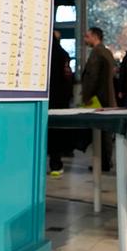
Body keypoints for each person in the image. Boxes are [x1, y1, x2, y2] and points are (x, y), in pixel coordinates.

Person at [81, 27, 116, 171]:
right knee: (106, 132)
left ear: (95, 37)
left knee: (100, 133)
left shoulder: (96, 53)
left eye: (87, 36)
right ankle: (106, 161)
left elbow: (92, 77)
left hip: (99, 98)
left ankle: (103, 163)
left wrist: (87, 96)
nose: (84, 39)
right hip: (108, 96)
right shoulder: (107, 52)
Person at [47, 31, 73, 176]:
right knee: (55, 133)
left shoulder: (42, 53)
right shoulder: (63, 54)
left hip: (43, 99)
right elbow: (67, 78)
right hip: (59, 101)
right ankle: (56, 165)